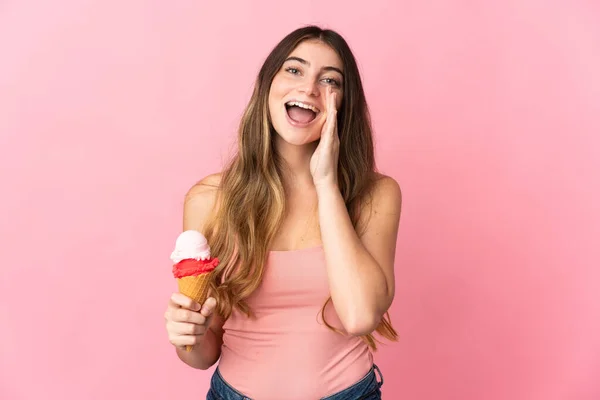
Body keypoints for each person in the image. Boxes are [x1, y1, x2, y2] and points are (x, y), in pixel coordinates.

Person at [164, 25, 402, 400]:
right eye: (294, 70)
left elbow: (360, 316)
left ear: (344, 102)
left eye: (329, 80)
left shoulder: (376, 195)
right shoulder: (210, 199)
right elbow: (203, 353)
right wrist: (188, 336)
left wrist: (327, 184)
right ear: (266, 86)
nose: (308, 88)